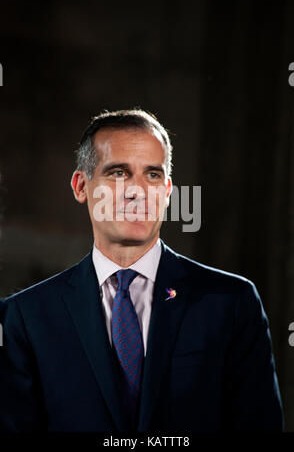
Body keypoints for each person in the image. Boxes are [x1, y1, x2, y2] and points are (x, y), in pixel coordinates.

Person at [0, 109, 284, 432]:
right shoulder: (24, 318)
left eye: (152, 175)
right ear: (81, 186)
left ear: (167, 192)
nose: (137, 191)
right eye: (119, 173)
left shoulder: (231, 304)